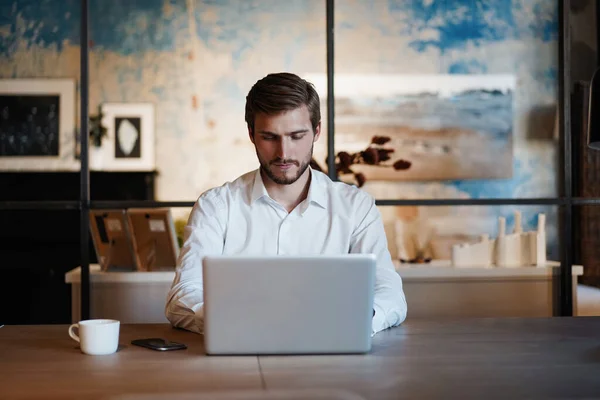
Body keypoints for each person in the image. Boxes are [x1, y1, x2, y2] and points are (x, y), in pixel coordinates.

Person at [165, 72, 407, 335]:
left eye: (296, 136)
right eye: (270, 137)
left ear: (316, 131)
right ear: (251, 134)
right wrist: (231, 322)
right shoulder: (215, 207)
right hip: (237, 362)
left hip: (334, 361)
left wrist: (354, 322)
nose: (284, 153)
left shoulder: (356, 208)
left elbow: (390, 294)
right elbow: (182, 298)